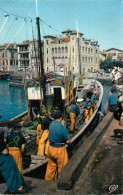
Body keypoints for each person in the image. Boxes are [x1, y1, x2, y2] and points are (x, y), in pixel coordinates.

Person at [45, 110, 71, 180]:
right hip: (59, 150)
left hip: (50, 148)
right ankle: (61, 181)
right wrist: (69, 141)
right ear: (61, 117)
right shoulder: (62, 127)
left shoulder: (51, 125)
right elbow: (68, 141)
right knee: (62, 168)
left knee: (50, 168)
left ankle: (47, 182)